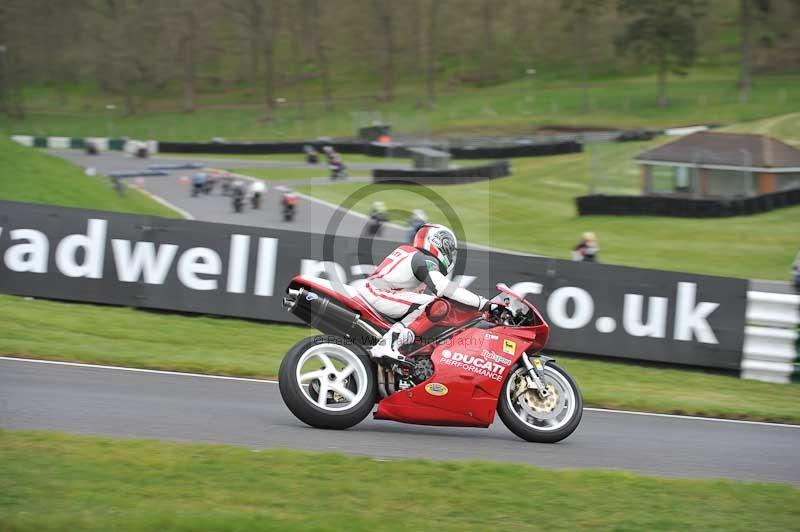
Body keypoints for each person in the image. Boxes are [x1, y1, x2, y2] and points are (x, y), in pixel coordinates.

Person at [357, 223, 504, 363]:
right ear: (441, 244)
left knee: (433, 307)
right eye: (449, 250)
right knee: (436, 305)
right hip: (377, 293)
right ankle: (388, 344)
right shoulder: (422, 258)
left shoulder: (412, 254)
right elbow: (444, 288)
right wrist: (485, 304)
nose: (451, 256)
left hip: (376, 292)